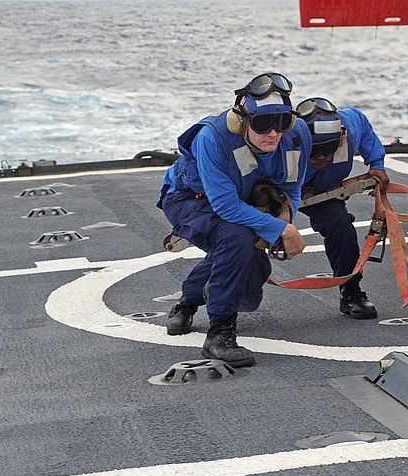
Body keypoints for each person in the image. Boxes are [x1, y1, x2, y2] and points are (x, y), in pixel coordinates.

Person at [157, 73, 311, 367]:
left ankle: (189, 300)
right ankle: (219, 335)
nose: (274, 134)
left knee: (249, 287)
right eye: (264, 124)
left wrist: (284, 215)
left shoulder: (296, 134)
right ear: (242, 122)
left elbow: (291, 187)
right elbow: (226, 206)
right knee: (237, 238)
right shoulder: (212, 138)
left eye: (282, 122)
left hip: (240, 201)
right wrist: (283, 229)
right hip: (192, 201)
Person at [296, 97, 391, 320]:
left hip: (322, 191)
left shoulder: (349, 125)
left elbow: (362, 122)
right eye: (315, 150)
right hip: (277, 192)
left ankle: (351, 293)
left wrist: (376, 163)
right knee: (243, 242)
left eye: (328, 149)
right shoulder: (284, 137)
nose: (321, 156)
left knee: (341, 226)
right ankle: (198, 299)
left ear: (341, 137)